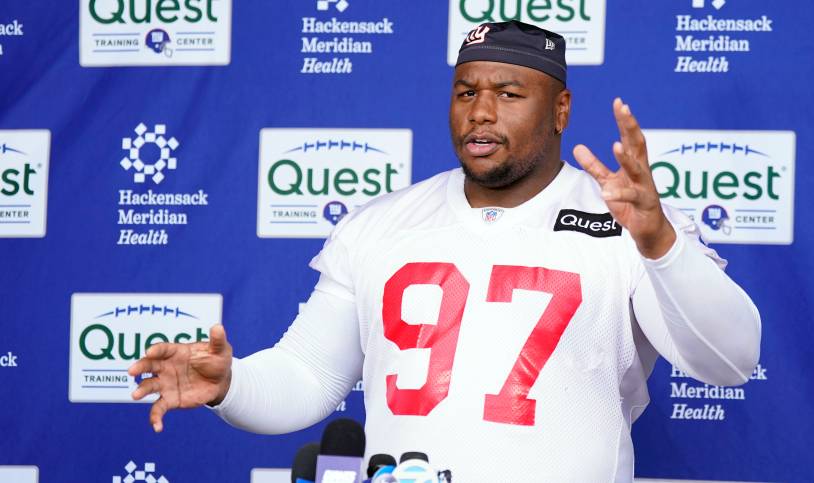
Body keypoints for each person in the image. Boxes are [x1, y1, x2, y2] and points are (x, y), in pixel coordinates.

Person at [128, 21, 761, 482]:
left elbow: (731, 360)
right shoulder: (381, 224)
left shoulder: (630, 221)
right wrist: (230, 386)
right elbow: (309, 377)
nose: (482, 112)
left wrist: (659, 243)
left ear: (560, 109)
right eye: (466, 93)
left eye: (509, 94)